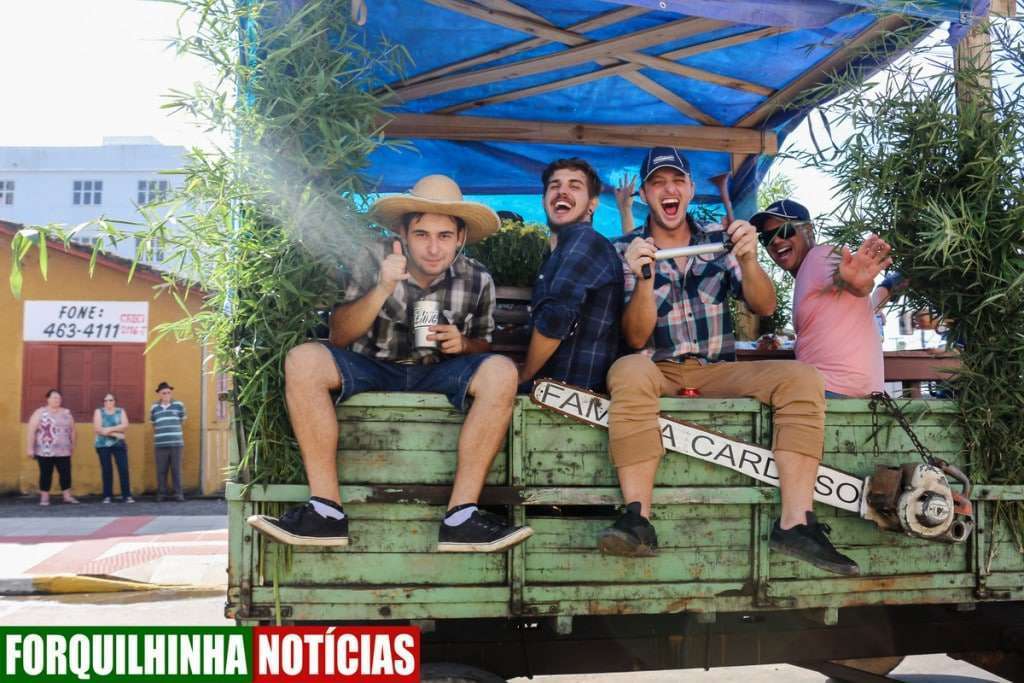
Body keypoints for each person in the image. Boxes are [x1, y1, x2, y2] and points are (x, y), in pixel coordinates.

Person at [601, 147, 859, 577]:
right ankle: (636, 518)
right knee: (627, 369)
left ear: (690, 189)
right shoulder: (624, 250)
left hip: (715, 369)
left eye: (677, 180)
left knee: (802, 379)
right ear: (644, 194)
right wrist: (644, 281)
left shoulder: (718, 241)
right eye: (658, 182)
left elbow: (765, 304)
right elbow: (635, 338)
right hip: (657, 370)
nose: (668, 189)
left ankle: (796, 524)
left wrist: (749, 259)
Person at [247, 174, 532, 552]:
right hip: (370, 367)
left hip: (438, 372)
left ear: (460, 237)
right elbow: (339, 336)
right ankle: (326, 512)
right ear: (403, 232)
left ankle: (461, 517)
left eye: (445, 236)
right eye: (422, 234)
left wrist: (462, 343)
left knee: (501, 370)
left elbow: (483, 344)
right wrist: (382, 287)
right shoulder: (371, 259)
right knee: (303, 359)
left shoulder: (477, 277)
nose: (434, 248)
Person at [751, 199, 893, 399]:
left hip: (834, 391)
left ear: (809, 230)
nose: (775, 241)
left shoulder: (819, 256)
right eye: (766, 238)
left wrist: (858, 283)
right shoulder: (807, 272)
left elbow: (850, 281)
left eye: (785, 231)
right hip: (851, 392)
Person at [518, 158, 622, 393]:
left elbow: (556, 318)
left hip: (568, 395)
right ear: (544, 200)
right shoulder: (559, 251)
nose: (562, 191)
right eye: (554, 186)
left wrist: (523, 376)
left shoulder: (584, 241)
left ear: (592, 205)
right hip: (558, 392)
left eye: (574, 186)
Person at [25, 389, 78, 506]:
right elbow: (31, 431)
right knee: (45, 473)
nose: (56, 400)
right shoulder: (40, 412)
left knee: (65, 473)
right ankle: (44, 497)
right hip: (45, 450)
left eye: (58, 398)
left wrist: (73, 445)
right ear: (47, 399)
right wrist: (30, 448)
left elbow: (73, 430)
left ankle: (67, 496)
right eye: (54, 397)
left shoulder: (67, 413)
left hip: (64, 450)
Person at [93, 393, 134, 503]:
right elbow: (97, 429)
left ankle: (127, 495)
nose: (108, 402)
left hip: (119, 444)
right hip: (103, 444)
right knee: (107, 470)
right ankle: (107, 496)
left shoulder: (120, 411)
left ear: (114, 401)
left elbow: (125, 425)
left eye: (110, 400)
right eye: (106, 400)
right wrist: (116, 434)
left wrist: (108, 429)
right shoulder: (98, 411)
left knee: (123, 469)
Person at [151, 381, 187, 502]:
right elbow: (153, 423)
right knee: (161, 470)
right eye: (164, 393)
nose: (166, 395)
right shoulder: (154, 408)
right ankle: (162, 494)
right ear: (159, 394)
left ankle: (178, 494)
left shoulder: (179, 405)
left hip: (176, 444)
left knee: (176, 470)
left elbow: (182, 420)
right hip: (160, 444)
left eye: (168, 392)